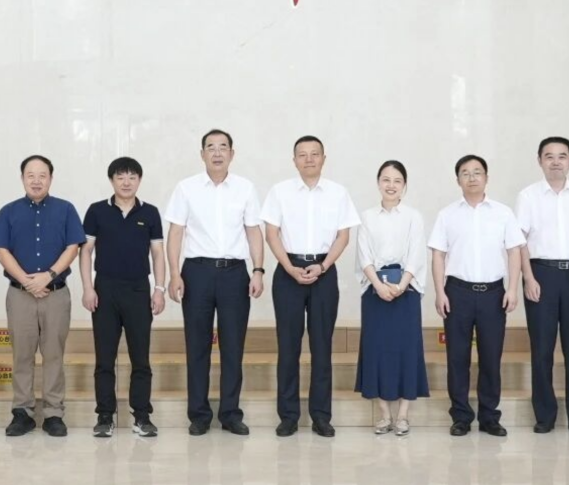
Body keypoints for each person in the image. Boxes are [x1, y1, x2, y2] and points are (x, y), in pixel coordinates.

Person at [165, 129, 266, 436]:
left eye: (223, 147)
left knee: (233, 346)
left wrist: (258, 270)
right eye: (211, 147)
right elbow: (176, 233)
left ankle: (230, 413)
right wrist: (174, 274)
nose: (217, 152)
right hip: (196, 272)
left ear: (232, 154)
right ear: (202, 154)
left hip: (235, 273)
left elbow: (253, 232)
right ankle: (199, 415)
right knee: (197, 345)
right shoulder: (186, 188)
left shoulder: (245, 188)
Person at [261, 136, 360, 438]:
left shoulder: (338, 193)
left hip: (323, 271)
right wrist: (289, 267)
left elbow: (343, 236)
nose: (308, 159)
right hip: (288, 270)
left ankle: (321, 416)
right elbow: (271, 233)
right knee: (288, 347)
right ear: (294, 160)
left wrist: (324, 265)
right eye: (302, 155)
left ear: (323, 158)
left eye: (314, 154)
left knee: (322, 347)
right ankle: (288, 416)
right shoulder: (279, 192)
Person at [0, 155, 86, 437]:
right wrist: (27, 281)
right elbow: (1, 251)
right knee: (22, 354)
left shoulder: (66, 209)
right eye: (30, 175)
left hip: (56, 294)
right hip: (20, 295)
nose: (36, 180)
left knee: (54, 354)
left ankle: (54, 413)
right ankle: (23, 413)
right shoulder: (8, 211)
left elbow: (73, 247)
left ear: (51, 179)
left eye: (42, 175)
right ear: (22, 178)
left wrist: (49, 275)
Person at [429, 154, 525, 438]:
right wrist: (440, 292)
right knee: (457, 358)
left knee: (491, 358)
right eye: (465, 173)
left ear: (486, 177)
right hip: (457, 292)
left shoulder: (503, 213)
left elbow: (514, 252)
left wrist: (512, 289)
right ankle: (460, 416)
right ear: (458, 179)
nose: (472, 177)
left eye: (477, 172)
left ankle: (489, 417)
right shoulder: (447, 215)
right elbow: (438, 255)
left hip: (493, 294)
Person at [515, 136, 569, 435]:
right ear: (539, 160)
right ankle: (545, 415)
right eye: (549, 156)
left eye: (562, 156)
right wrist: (528, 278)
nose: (556, 162)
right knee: (542, 348)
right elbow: (520, 242)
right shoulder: (528, 196)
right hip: (541, 274)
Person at [79, 157, 166, 438]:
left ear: (139, 180)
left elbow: (158, 253)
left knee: (141, 358)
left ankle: (142, 416)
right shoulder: (97, 211)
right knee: (104, 358)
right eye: (120, 177)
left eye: (132, 177)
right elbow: (85, 251)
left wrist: (159, 289)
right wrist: (88, 287)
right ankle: (105, 416)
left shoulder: (150, 212)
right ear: (111, 180)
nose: (126, 182)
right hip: (104, 289)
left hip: (138, 290)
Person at [354, 160, 430, 437]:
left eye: (397, 180)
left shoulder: (413, 217)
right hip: (375, 292)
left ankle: (403, 416)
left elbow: (416, 254)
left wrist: (401, 285)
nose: (391, 185)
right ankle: (384, 415)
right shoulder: (366, 217)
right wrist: (378, 285)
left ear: (404, 186)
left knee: (407, 350)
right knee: (377, 350)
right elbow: (363, 255)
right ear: (378, 183)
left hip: (405, 292)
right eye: (386, 179)